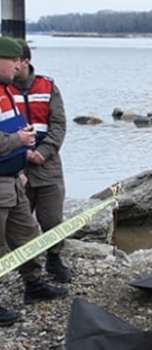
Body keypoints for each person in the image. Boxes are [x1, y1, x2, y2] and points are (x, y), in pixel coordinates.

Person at [0, 37, 67, 327]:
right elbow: (11, 135)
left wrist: (30, 157)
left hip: (16, 177)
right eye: (13, 60)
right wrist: (19, 142)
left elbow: (58, 124)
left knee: (28, 235)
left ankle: (35, 283)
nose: (18, 65)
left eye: (20, 61)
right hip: (4, 180)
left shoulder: (13, 89)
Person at [9, 40, 71, 283]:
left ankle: (54, 258)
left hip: (48, 165)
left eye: (16, 62)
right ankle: (28, 272)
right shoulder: (4, 90)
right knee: (21, 224)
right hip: (16, 165)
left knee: (52, 218)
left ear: (26, 61)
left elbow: (59, 124)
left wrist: (44, 151)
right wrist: (21, 153)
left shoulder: (48, 86)